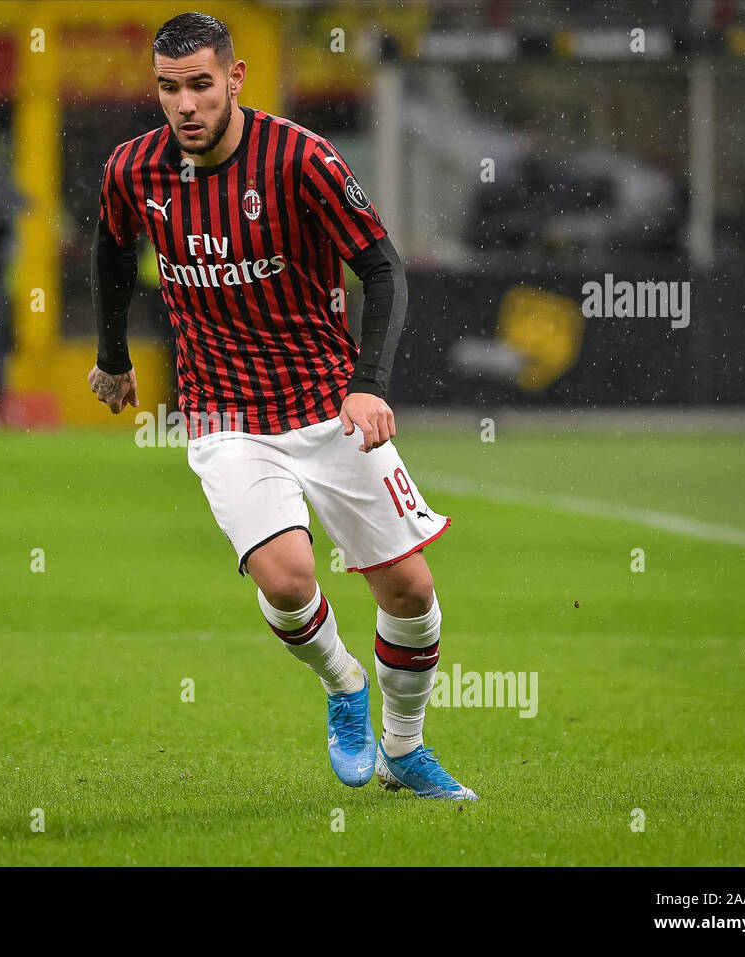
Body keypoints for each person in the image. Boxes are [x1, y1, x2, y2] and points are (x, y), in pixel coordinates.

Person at [87, 12, 475, 800]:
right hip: (223, 411)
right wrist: (113, 356)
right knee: (289, 577)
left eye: (201, 84)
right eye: (169, 88)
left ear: (234, 78)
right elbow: (109, 248)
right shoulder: (133, 170)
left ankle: (405, 748)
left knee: (411, 591)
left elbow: (383, 268)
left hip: (328, 404)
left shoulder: (301, 160)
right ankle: (342, 686)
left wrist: (368, 382)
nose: (185, 104)